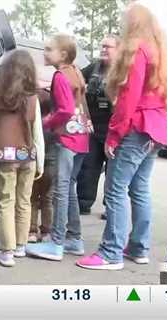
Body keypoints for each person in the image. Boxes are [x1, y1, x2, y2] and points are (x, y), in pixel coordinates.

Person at [77, 3, 167, 270]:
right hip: (156, 128)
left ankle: (110, 252)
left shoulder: (137, 51)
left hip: (137, 127)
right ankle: (138, 248)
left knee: (115, 190)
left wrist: (114, 135)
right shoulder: (160, 53)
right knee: (139, 189)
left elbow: (128, 99)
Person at [26, 34, 91, 261]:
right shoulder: (76, 72)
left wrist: (45, 123)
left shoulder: (60, 76)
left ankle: (56, 243)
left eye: (48, 49)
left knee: (61, 191)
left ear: (62, 54)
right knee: (70, 188)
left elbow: (64, 110)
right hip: (82, 138)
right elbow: (78, 104)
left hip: (67, 139)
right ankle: (75, 238)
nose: (44, 53)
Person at [0, 50, 45, 267]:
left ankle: (6, 251)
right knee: (24, 201)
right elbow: (37, 133)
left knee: (6, 202)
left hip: (4, 157)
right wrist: (41, 162)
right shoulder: (32, 100)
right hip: (27, 156)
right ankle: (20, 246)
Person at [77, 35, 120, 219]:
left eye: (108, 47)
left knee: (114, 171)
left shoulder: (124, 71)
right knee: (88, 167)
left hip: (114, 127)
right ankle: (82, 203)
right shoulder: (94, 67)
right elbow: (75, 77)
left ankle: (110, 207)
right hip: (94, 126)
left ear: (118, 50)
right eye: (102, 46)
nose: (103, 49)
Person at [28, 85, 55, 243]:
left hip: (36, 163)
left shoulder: (35, 126)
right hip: (51, 165)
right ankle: (46, 231)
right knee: (47, 198)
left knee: (32, 198)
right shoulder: (53, 127)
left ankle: (31, 230)